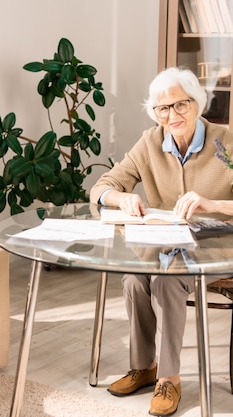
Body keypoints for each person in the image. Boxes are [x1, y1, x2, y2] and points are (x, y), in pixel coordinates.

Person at [90, 66, 233, 416]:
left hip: (219, 247)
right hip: (165, 243)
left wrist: (211, 204)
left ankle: (169, 378)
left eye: (180, 105)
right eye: (162, 108)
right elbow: (102, 186)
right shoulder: (150, 141)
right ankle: (144, 367)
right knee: (134, 279)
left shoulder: (225, 142)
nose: (172, 115)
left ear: (196, 103)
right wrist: (119, 197)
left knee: (167, 282)